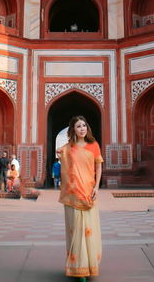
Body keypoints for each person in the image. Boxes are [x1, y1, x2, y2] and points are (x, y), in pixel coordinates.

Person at [57, 116, 102, 281]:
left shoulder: (94, 145)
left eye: (84, 125)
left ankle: (89, 266)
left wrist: (96, 187)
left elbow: (98, 165)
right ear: (73, 129)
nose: (82, 128)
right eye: (78, 126)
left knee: (89, 230)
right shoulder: (68, 148)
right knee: (76, 230)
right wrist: (62, 152)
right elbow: (64, 163)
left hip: (89, 192)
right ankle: (78, 267)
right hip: (74, 193)